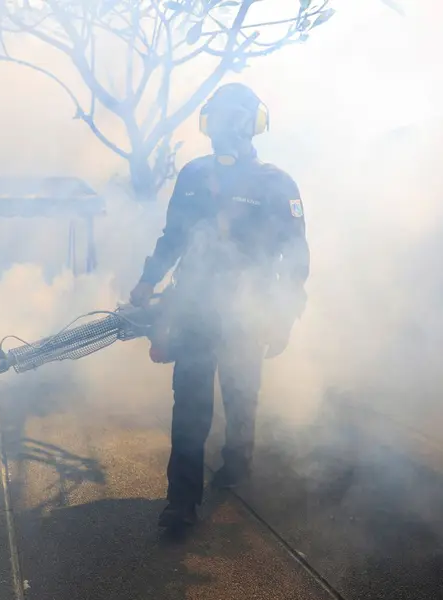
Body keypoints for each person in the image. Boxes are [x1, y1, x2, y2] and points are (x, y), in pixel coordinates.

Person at [128, 82, 310, 530]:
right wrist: (148, 280)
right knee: (190, 406)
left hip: (248, 313)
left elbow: (295, 259)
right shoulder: (193, 176)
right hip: (194, 309)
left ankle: (237, 462)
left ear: (251, 126)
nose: (221, 131)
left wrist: (284, 317)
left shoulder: (276, 184)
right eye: (216, 121)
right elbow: (173, 236)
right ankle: (181, 502)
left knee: (240, 394)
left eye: (232, 120)